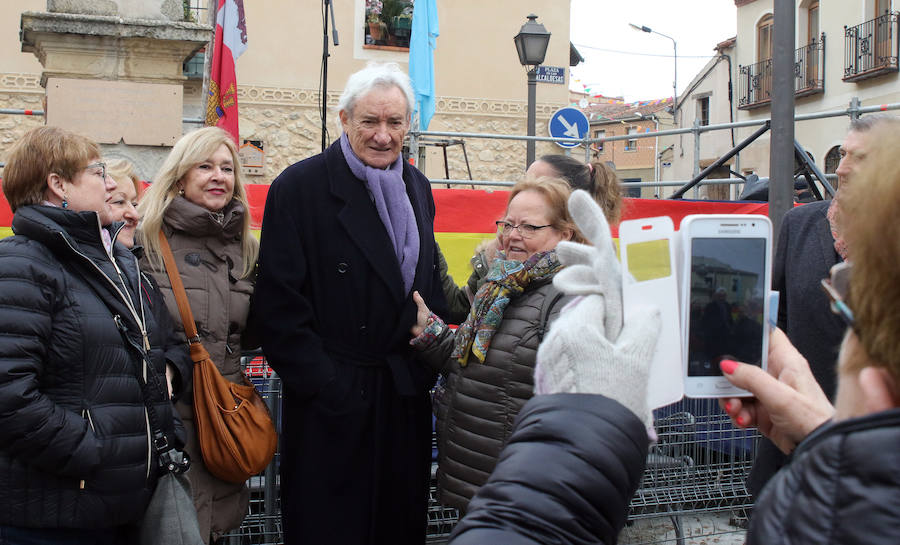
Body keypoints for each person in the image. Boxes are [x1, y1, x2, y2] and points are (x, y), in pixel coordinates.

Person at [449, 121, 900, 545]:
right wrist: (819, 439)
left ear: (877, 382)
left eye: (846, 300)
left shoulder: (805, 516)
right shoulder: (825, 497)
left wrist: (592, 414)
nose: (840, 168)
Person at [251, 62, 448, 545]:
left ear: (409, 125)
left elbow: (431, 286)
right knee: (331, 527)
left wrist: (426, 362)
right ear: (343, 119)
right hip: (334, 404)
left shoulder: (418, 187)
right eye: (369, 122)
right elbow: (279, 307)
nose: (383, 136)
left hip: (402, 395)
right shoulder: (300, 188)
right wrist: (326, 386)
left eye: (395, 123)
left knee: (397, 526)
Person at [0, 127, 182, 543]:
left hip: (117, 507)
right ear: (58, 185)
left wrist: (162, 438)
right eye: (98, 172)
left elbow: (151, 357)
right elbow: (8, 394)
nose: (112, 182)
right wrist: (92, 451)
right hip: (51, 518)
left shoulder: (114, 264)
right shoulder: (20, 265)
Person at [409, 176, 581, 513]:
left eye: (529, 227)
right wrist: (431, 333)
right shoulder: (502, 283)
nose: (513, 235)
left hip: (527, 494)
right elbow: (476, 366)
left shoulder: (569, 299)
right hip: (481, 481)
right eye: (508, 223)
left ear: (564, 234)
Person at [753, 113, 900, 496]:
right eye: (842, 156)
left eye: (861, 159)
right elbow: (778, 315)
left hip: (876, 449)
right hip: (795, 434)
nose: (844, 170)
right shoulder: (799, 225)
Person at [137, 126, 259, 544]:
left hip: (224, 413)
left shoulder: (246, 248)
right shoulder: (145, 241)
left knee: (216, 525)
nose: (218, 176)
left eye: (227, 168)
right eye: (205, 166)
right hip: (170, 417)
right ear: (180, 177)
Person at [441, 154, 624, 324]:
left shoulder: (578, 289)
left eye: (538, 184)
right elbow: (461, 310)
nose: (525, 190)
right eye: (524, 181)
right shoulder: (508, 263)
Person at [106, 158, 192, 401]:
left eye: (134, 203)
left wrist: (168, 369)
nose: (133, 214)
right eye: (119, 202)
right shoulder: (69, 273)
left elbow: (174, 346)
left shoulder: (142, 281)